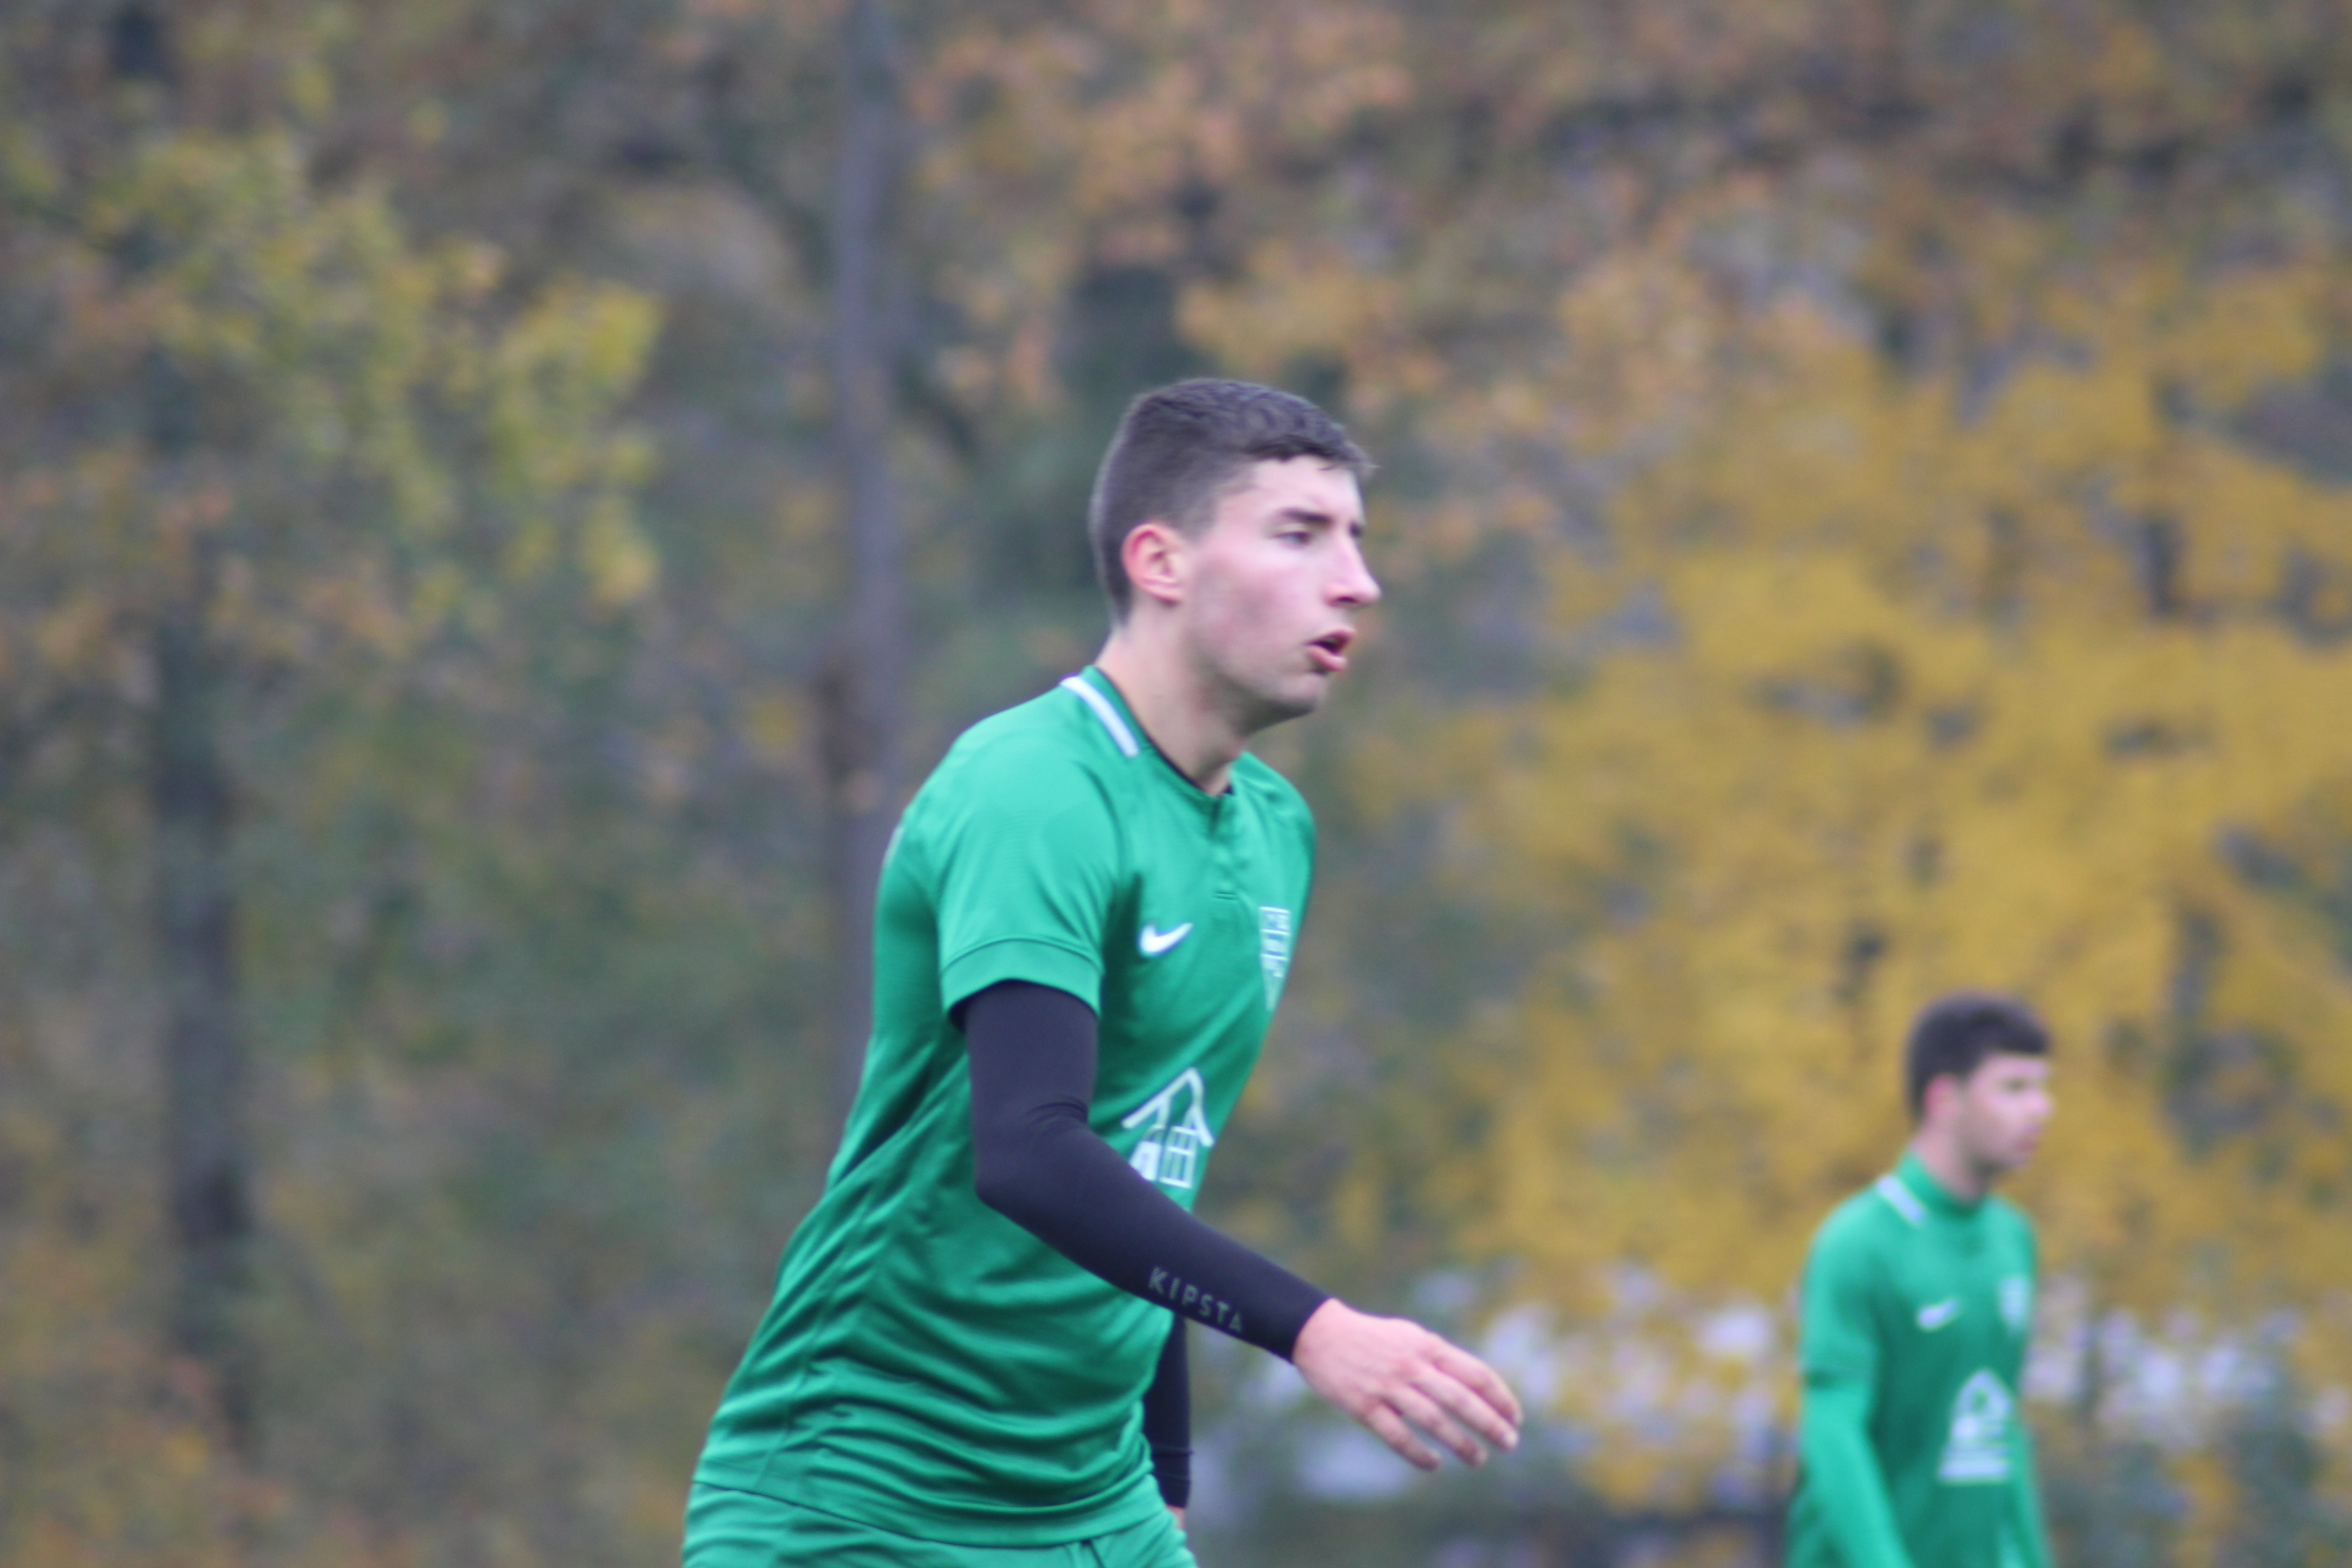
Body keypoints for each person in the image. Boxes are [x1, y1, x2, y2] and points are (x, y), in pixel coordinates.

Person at [685, 379, 1522, 1568]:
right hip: (860, 1503)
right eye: (1300, 535)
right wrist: (1315, 1330)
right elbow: (1031, 1153)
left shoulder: (1273, 832)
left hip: (1096, 1510)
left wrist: (1165, 1483)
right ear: (1159, 562)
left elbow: (1147, 1164)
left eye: (1356, 538)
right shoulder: (1035, 789)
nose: (1357, 582)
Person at [1785, 992, 2058, 1568]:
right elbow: (1833, 1433)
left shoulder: (2014, 1240)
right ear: (1944, 1099)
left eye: (2042, 1088)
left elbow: (2000, 1428)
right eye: (2014, 1088)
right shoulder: (1858, 1243)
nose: (2040, 1108)